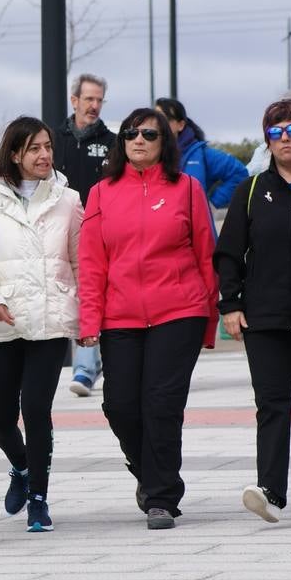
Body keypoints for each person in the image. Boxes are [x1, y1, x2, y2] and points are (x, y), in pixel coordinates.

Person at [78, 107, 218, 531]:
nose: (138, 139)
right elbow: (92, 260)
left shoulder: (187, 188)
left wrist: (210, 319)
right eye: (130, 133)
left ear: (164, 143)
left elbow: (205, 255)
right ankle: (152, 472)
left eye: (149, 134)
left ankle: (160, 497)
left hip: (180, 311)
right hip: (120, 316)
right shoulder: (101, 192)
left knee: (161, 404)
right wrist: (89, 321)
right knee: (119, 405)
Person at [215, 99, 291, 524]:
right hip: (263, 317)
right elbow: (228, 254)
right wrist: (230, 305)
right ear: (266, 140)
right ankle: (270, 491)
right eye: (275, 132)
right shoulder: (249, 191)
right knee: (272, 403)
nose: (284, 139)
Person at [0, 116, 82, 533]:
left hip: (51, 320)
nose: (44, 155)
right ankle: (20, 466)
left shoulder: (69, 200)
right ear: (15, 154)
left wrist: (85, 315)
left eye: (48, 147)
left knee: (36, 408)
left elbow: (79, 260)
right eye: (34, 148)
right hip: (2, 320)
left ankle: (39, 497)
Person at [53, 73, 113, 398]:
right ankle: (89, 360)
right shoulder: (54, 139)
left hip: (98, 231)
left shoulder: (113, 143)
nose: (94, 106)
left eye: (99, 100)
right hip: (60, 230)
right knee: (70, 294)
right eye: (88, 99)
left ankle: (85, 367)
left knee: (89, 292)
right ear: (74, 100)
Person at [154, 97, 247, 211]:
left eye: (163, 118)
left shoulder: (202, 155)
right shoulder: (145, 155)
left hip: (193, 226)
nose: (158, 124)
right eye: (155, 119)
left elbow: (239, 173)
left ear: (181, 125)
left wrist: (212, 204)